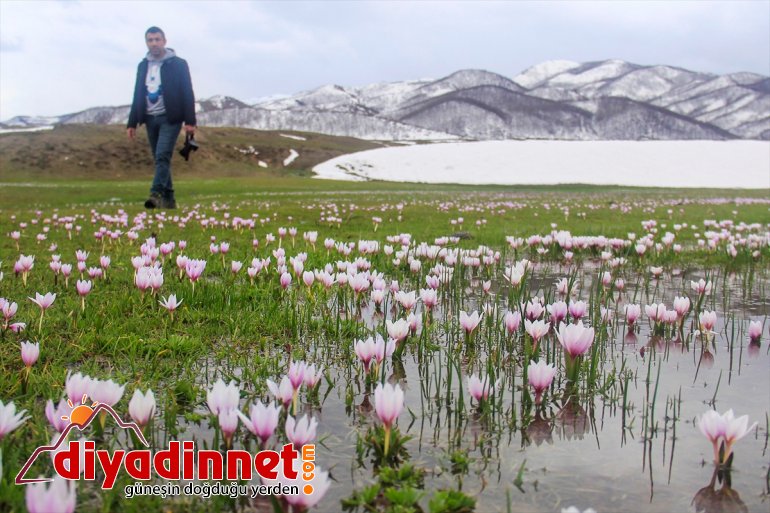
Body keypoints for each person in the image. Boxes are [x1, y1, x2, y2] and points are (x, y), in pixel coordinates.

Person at [127, 26, 196, 209]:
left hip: (170, 117)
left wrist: (190, 121)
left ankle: (156, 193)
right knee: (160, 160)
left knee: (162, 155)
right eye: (150, 40)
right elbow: (137, 93)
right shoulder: (143, 65)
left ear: (164, 41)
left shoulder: (178, 64)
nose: (154, 43)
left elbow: (187, 91)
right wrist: (132, 122)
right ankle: (170, 200)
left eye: (157, 39)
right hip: (150, 117)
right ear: (146, 42)